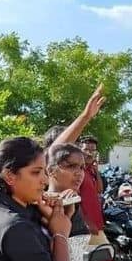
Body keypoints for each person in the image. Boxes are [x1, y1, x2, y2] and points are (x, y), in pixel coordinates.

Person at [48, 85, 108, 245]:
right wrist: (85, 116)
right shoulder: (42, 203)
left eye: (80, 167)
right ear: (51, 170)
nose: (79, 173)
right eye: (71, 166)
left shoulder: (71, 204)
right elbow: (54, 151)